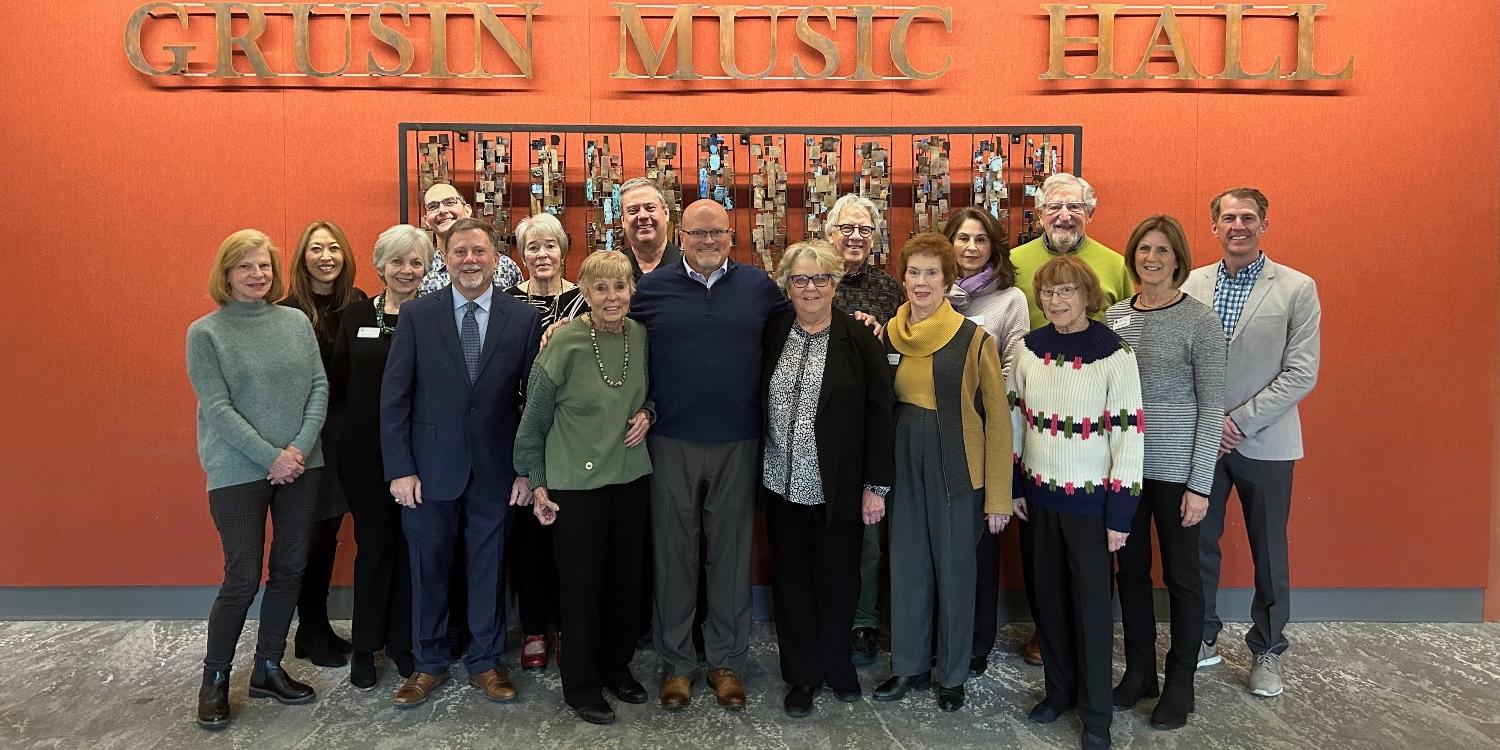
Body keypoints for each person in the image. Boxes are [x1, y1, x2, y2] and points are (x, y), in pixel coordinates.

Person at [634, 199, 788, 712]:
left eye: (716, 233)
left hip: (739, 438)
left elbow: (807, 327)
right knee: (674, 556)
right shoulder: (650, 290)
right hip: (671, 439)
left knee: (730, 556)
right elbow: (614, 340)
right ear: (682, 235)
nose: (707, 241)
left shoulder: (759, 288)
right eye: (697, 234)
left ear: (731, 236)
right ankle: (676, 665)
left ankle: (726, 662)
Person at [380, 217, 541, 708]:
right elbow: (394, 400)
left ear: (496, 258)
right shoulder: (417, 315)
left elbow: (534, 401)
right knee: (427, 566)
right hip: (427, 468)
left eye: (479, 251)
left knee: (489, 568)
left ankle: (486, 662)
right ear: (444, 259)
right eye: (459, 252)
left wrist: (526, 470)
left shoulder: (522, 318)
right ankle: (427, 664)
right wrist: (400, 468)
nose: (470, 260)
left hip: (496, 467)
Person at [186, 229, 328, 730]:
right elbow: (218, 409)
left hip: (302, 466)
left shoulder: (295, 322)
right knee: (242, 576)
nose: (257, 274)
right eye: (245, 266)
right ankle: (216, 678)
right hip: (238, 470)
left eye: (264, 265)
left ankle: (269, 667)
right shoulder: (205, 333)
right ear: (226, 273)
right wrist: (271, 456)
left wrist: (298, 450)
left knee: (290, 568)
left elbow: (318, 385)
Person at [1183, 188, 1320, 698]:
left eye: (1247, 217)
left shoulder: (1297, 288)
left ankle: (1268, 650)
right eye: (1227, 218)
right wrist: (1207, 423)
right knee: (1197, 542)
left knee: (1269, 548)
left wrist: (1237, 422)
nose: (1237, 225)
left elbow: (1301, 372)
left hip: (1265, 440)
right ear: (1213, 226)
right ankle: (1200, 637)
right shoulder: (1190, 283)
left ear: (1265, 224)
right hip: (1201, 441)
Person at [515, 250, 655, 725]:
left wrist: (648, 413)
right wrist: (536, 483)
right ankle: (580, 683)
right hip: (575, 484)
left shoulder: (640, 336)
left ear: (631, 292)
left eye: (619, 287)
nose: (611, 297)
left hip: (630, 477)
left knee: (624, 583)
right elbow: (532, 421)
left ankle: (616, 667)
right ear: (585, 294)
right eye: (600, 288)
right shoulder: (565, 341)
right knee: (580, 586)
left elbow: (646, 392)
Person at [873, 233, 1011, 713]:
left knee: (955, 570)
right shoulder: (889, 334)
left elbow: (997, 420)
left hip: (957, 463)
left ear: (948, 280)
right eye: (914, 272)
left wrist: (998, 498)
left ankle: (951, 675)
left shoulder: (974, 338)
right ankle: (908, 666)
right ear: (903, 278)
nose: (922, 281)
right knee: (907, 565)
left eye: (933, 272)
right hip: (902, 458)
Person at [1010, 255, 1143, 750]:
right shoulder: (1027, 349)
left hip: (1091, 508)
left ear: (1089, 296)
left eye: (1066, 292)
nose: (1055, 301)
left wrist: (1120, 513)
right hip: (1040, 501)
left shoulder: (1114, 354)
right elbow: (1017, 419)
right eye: (1047, 293)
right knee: (1047, 603)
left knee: (1090, 612)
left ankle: (1096, 716)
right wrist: (1016, 485)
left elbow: (1129, 437)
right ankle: (1057, 693)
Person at [760, 240, 894, 718]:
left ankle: (838, 666)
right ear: (787, 285)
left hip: (837, 486)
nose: (810, 287)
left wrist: (876, 486)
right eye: (800, 279)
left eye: (820, 278)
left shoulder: (859, 338)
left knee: (839, 580)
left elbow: (881, 413)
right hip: (780, 481)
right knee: (792, 582)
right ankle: (801, 675)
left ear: (835, 284)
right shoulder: (774, 329)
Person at [1104, 215, 1225, 729]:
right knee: (1129, 575)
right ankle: (1139, 674)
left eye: (1161, 250)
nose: (1150, 259)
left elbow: (1212, 405)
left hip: (1177, 473)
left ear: (1178, 258)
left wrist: (1201, 484)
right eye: (1143, 250)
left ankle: (1180, 683)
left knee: (1182, 579)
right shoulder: (1113, 318)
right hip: (1126, 470)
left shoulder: (1200, 321)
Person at [1008, 172, 1132, 666]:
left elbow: (1127, 334)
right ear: (1039, 214)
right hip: (1038, 430)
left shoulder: (1115, 265)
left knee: (1091, 554)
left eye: (1075, 207)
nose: (1064, 216)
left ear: (1090, 214)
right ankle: (1047, 634)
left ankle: (1091, 639)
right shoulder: (1015, 264)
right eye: (1054, 207)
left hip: (1091, 435)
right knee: (1043, 554)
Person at [328, 225, 433, 690]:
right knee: (375, 548)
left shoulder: (436, 315)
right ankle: (366, 645)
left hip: (421, 455)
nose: (406, 271)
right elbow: (340, 383)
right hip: (366, 455)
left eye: (416, 262)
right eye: (398, 262)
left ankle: (402, 642)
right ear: (380, 266)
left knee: (414, 548)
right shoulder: (355, 315)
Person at [940, 207, 1028, 678]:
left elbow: (1015, 371)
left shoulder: (1009, 300)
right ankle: (939, 636)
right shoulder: (929, 292)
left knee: (979, 543)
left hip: (985, 434)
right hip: (935, 436)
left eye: (980, 240)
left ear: (994, 248)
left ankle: (976, 642)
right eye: (962, 238)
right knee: (939, 542)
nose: (971, 248)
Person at [279, 219, 365, 668]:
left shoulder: (359, 305)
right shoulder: (286, 311)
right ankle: (309, 628)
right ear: (302, 258)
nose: (327, 256)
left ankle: (316, 628)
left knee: (329, 532)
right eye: (317, 249)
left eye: (334, 247)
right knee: (309, 535)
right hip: (307, 437)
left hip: (346, 437)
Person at [503, 211, 586, 671]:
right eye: (532, 247)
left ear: (563, 250)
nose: (541, 255)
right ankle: (535, 627)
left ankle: (572, 626)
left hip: (574, 437)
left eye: (549, 245)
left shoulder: (584, 300)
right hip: (524, 434)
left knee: (574, 538)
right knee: (530, 539)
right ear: (521, 255)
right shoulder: (506, 303)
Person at [823, 193, 904, 668]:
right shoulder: (809, 278)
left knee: (869, 531)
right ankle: (827, 612)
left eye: (864, 230)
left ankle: (864, 620)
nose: (855, 237)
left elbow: (904, 349)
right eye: (846, 228)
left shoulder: (890, 289)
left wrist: (882, 332)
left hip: (873, 422)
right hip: (817, 425)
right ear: (829, 232)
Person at [418, 182, 523, 294]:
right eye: (433, 206)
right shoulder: (420, 271)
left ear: (467, 210)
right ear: (426, 221)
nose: (442, 210)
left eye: (449, 202)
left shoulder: (505, 267)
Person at [619, 177, 684, 279]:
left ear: (666, 213)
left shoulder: (690, 268)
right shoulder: (608, 271)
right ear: (623, 220)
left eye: (650, 208)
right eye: (633, 210)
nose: (643, 215)